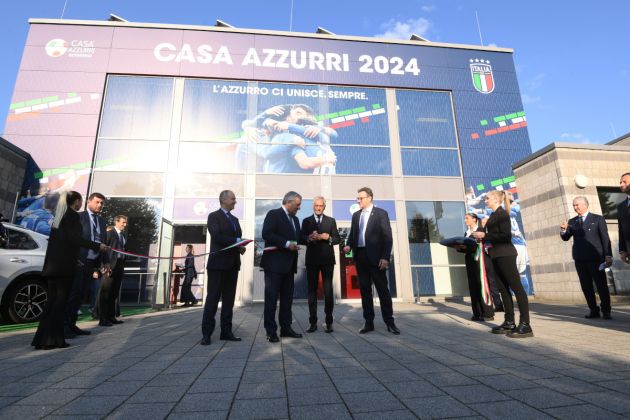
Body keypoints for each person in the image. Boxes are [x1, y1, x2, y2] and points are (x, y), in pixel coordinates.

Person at [32, 191, 107, 350]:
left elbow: (62, 243)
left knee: (52, 303)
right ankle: (54, 339)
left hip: (54, 266)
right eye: (80, 201)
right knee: (60, 302)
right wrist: (97, 246)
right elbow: (75, 240)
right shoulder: (73, 216)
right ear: (78, 202)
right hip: (64, 267)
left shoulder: (59, 217)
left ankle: (42, 339)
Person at [472, 190, 532, 338]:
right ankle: (509, 321)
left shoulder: (502, 214)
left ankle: (525, 324)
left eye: (487, 198)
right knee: (503, 289)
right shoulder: (492, 216)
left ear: (496, 200)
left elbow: (505, 236)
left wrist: (485, 235)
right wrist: (482, 233)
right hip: (495, 255)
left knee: (516, 288)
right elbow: (491, 236)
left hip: (506, 254)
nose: (485, 201)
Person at [343, 187, 399, 335]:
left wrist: (385, 257)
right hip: (360, 258)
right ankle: (369, 323)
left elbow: (388, 238)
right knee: (365, 292)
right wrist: (348, 245)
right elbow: (353, 235)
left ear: (369, 198)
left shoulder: (381, 214)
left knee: (383, 291)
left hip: (377, 259)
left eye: (361, 198)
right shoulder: (356, 215)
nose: (358, 200)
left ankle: (389, 322)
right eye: (358, 198)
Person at [201, 190, 246, 346]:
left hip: (233, 265)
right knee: (213, 299)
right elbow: (217, 236)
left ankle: (226, 332)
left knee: (228, 300)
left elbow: (236, 240)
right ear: (223, 199)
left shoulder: (235, 219)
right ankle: (206, 334)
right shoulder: (214, 216)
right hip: (217, 265)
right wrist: (237, 241)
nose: (235, 201)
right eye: (233, 199)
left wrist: (241, 247)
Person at [65, 192, 110, 338]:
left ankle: (72, 325)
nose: (100, 205)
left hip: (92, 262)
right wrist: (72, 257)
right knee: (73, 293)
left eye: (102, 203)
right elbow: (72, 240)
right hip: (79, 261)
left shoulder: (102, 222)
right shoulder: (79, 217)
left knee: (81, 295)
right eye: (97, 202)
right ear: (88, 202)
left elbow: (102, 242)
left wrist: (106, 261)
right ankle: (66, 327)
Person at [260, 191, 304, 343]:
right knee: (271, 299)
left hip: (289, 266)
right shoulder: (274, 214)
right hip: (274, 265)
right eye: (297, 205)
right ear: (289, 202)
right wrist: (286, 244)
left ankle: (286, 328)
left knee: (287, 300)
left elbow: (298, 238)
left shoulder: (296, 220)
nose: (299, 208)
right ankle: (271, 331)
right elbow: (267, 233)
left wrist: (308, 238)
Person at [560, 196, 613, 319]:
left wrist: (608, 255)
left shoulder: (597, 219)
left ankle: (606, 310)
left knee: (601, 285)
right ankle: (593, 310)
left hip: (596, 258)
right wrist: (563, 230)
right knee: (586, 286)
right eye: (574, 205)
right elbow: (565, 237)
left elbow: (605, 238)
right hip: (580, 258)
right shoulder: (572, 221)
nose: (575, 207)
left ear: (585, 205)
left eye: (577, 205)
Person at [301, 196, 341, 333]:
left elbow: (337, 239)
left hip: (327, 261)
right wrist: (309, 238)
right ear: (313, 206)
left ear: (324, 206)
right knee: (311, 291)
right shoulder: (306, 221)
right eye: (316, 205)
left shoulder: (331, 221)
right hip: (312, 260)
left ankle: (329, 322)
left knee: (328, 291)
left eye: (321, 206)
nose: (318, 208)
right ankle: (313, 322)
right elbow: (301, 238)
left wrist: (328, 238)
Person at [458, 213, 494, 322]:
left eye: (467, 218)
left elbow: (486, 245)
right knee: (473, 286)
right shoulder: (466, 233)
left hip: (480, 261)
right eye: (465, 218)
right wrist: (459, 247)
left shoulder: (481, 230)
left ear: (474, 219)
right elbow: (467, 248)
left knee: (482, 285)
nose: (465, 220)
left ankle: (488, 313)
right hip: (470, 261)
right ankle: (477, 313)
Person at [99, 215, 128, 326]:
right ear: (116, 222)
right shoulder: (110, 234)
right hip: (109, 266)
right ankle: (103, 319)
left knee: (114, 293)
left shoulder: (123, 236)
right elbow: (103, 250)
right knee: (105, 293)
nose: (125, 225)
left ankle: (111, 317)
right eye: (123, 222)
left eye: (126, 223)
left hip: (119, 266)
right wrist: (103, 266)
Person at [618, 173, 630, 265]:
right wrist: (622, 250)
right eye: (620, 182)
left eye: (624, 182)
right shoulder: (621, 206)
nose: (621, 184)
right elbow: (621, 229)